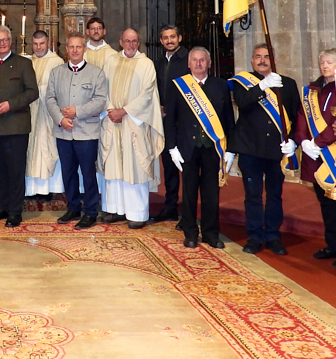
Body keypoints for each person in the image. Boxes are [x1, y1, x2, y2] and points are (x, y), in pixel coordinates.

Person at [229, 43, 301, 256]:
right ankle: (254, 236)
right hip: (250, 148)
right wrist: (262, 87)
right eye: (258, 56)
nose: (262, 60)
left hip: (275, 149)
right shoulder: (242, 82)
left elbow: (296, 115)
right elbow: (242, 102)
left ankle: (272, 236)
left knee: (274, 195)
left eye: (267, 56)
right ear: (252, 60)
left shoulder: (287, 83)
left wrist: (293, 142)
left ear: (274, 60)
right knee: (252, 195)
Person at [166, 47, 235, 249]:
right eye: (194, 60)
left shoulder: (220, 85)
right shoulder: (178, 86)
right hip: (187, 147)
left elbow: (228, 119)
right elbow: (170, 119)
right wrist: (172, 147)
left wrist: (230, 149)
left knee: (211, 192)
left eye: (202, 60)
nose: (198, 63)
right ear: (188, 64)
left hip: (212, 147)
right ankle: (190, 232)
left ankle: (211, 233)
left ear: (209, 63)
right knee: (188, 192)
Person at [98, 29, 164, 229]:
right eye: (127, 41)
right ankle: (115, 209)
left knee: (135, 167)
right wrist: (111, 110)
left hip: (135, 124)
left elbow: (147, 94)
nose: (131, 44)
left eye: (134, 41)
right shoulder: (110, 62)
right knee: (113, 165)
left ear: (139, 42)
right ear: (120, 42)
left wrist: (124, 111)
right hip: (112, 121)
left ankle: (137, 213)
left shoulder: (146, 64)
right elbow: (101, 89)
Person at [45, 32, 108, 229]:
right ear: (66, 49)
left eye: (78, 47)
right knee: (68, 172)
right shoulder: (56, 72)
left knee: (88, 174)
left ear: (84, 49)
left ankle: (90, 212)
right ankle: (73, 207)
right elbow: (50, 99)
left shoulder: (96, 73)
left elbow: (100, 100)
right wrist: (61, 119)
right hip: (63, 132)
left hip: (87, 133)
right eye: (71, 47)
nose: (74, 50)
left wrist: (77, 111)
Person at [297, 48, 336, 268]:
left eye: (329, 62)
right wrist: (304, 141)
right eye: (322, 62)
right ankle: (333, 245)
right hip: (314, 154)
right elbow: (301, 117)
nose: (324, 66)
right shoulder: (312, 90)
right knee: (325, 202)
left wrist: (318, 142)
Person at [0, 25, 38, 227]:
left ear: (11, 42)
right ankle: (2, 207)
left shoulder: (23, 63)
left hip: (16, 126)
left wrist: (10, 105)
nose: (1, 43)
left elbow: (32, 92)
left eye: (5, 40)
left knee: (15, 170)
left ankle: (15, 211)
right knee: (0, 171)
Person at [152, 24, 188, 223]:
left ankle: (188, 211)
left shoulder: (188, 60)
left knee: (187, 168)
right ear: (161, 41)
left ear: (179, 38)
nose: (169, 41)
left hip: (184, 121)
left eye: (172, 37)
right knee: (169, 166)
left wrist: (172, 108)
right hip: (166, 121)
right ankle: (170, 206)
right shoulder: (158, 63)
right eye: (165, 38)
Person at [25, 30, 64, 198]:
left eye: (41, 44)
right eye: (35, 44)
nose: (38, 47)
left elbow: (59, 88)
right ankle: (31, 189)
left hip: (48, 113)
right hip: (31, 112)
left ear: (48, 43)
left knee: (47, 148)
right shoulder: (28, 62)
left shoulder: (57, 61)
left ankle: (49, 188)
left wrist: (36, 90)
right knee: (31, 149)